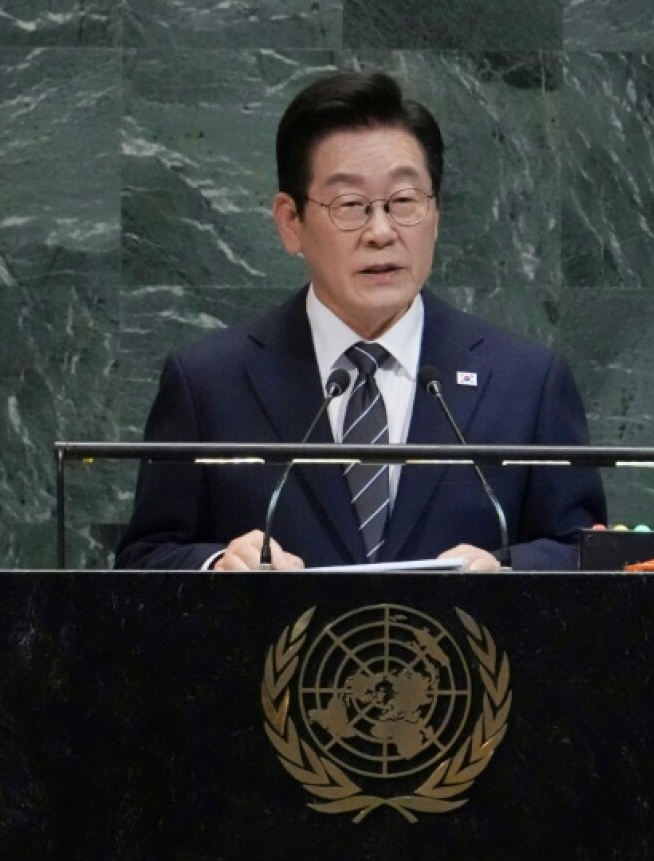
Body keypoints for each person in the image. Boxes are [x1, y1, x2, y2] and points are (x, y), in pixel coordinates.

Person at [115, 70, 606, 572]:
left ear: (435, 214)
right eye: (350, 205)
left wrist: (504, 570)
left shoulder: (526, 382)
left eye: (404, 202)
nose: (380, 231)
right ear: (291, 222)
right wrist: (219, 563)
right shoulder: (209, 383)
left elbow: (585, 551)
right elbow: (144, 557)